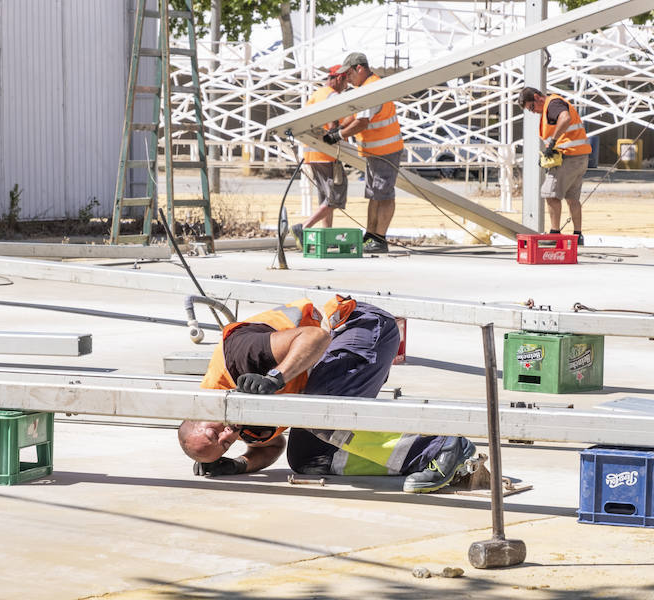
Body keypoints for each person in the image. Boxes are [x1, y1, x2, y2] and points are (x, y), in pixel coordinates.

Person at [179, 298, 475, 494]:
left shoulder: (239, 358)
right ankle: (418, 461)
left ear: (196, 414)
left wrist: (274, 377)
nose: (227, 436)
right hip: (331, 365)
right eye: (226, 445)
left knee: (322, 413)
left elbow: (316, 338)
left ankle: (441, 446)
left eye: (212, 434)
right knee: (307, 458)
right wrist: (240, 464)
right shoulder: (233, 417)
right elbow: (272, 445)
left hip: (358, 325)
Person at [322, 52, 404, 254]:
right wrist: (338, 127)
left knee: (383, 195)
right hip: (375, 152)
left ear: (359, 68)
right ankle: (371, 235)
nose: (346, 79)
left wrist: (337, 135)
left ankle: (379, 238)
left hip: (386, 151)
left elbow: (362, 122)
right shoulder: (364, 89)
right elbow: (354, 117)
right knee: (374, 194)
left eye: (349, 74)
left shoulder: (373, 89)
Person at [519, 87, 592, 246]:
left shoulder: (552, 104)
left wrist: (552, 143)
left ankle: (554, 233)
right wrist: (548, 153)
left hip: (569, 157)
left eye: (532, 107)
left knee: (550, 194)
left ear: (538, 98)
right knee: (572, 198)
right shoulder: (553, 105)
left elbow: (564, 119)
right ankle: (578, 235)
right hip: (579, 157)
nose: (533, 111)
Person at [292, 65, 350, 250]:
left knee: (326, 197)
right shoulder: (333, 95)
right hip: (326, 153)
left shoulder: (318, 94)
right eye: (346, 80)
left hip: (312, 152)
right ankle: (304, 227)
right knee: (336, 196)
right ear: (339, 78)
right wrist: (339, 134)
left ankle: (327, 236)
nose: (347, 85)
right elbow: (333, 123)